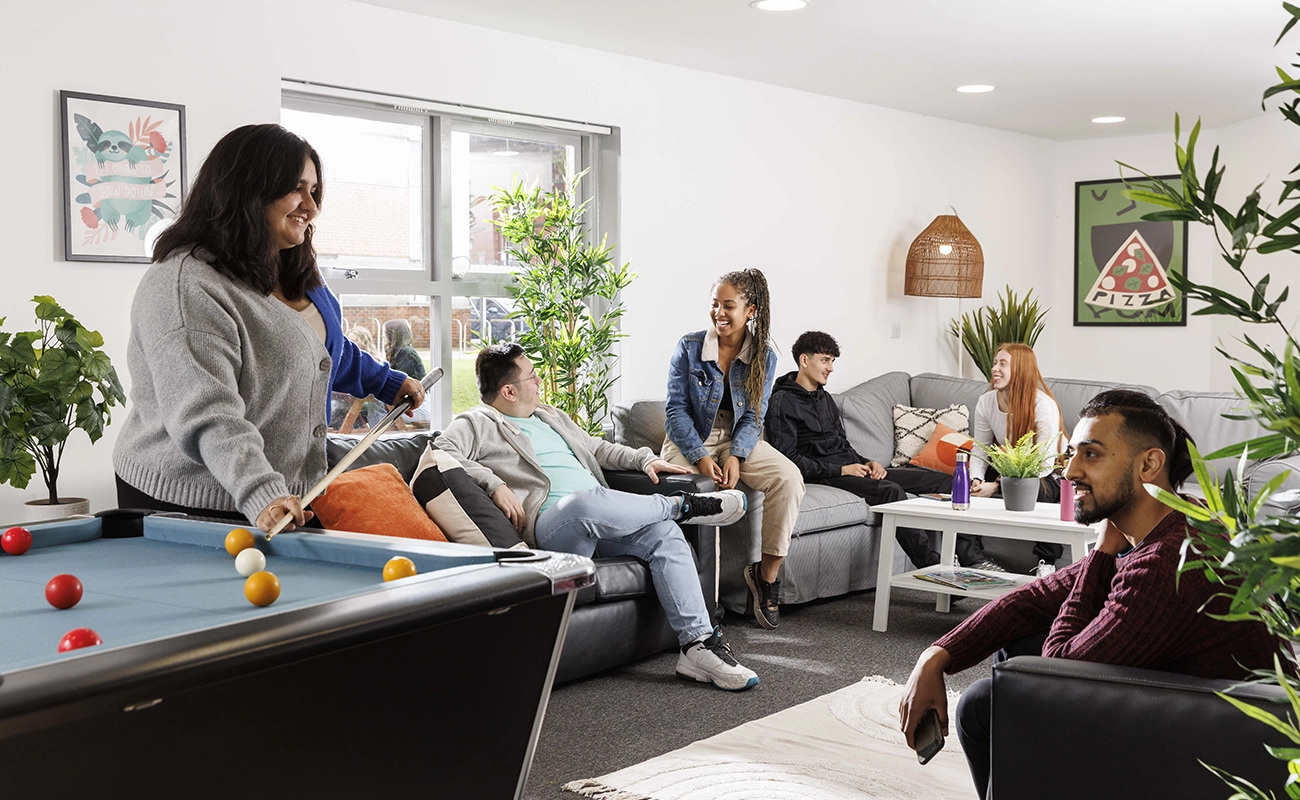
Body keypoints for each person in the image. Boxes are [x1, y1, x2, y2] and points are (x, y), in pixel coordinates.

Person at [897, 390, 1285, 799]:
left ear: (1149, 464)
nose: (1069, 473)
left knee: (987, 702)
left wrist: (1101, 555)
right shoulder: (1169, 524)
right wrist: (935, 656)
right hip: (1197, 697)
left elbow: (1060, 673)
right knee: (1015, 648)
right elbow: (1036, 597)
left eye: (1092, 455)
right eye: (1071, 454)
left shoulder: (1170, 561)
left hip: (1229, 745)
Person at [112, 124, 426, 533]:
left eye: (314, 191)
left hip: (282, 497)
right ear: (248, 189)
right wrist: (260, 491)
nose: (310, 207)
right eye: (296, 189)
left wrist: (385, 381)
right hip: (189, 501)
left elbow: (323, 354)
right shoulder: (184, 285)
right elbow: (207, 410)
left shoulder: (296, 269)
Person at [435, 343, 760, 692]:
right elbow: (441, 452)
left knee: (663, 533)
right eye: (532, 376)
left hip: (600, 518)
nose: (539, 380)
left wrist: (643, 460)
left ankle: (698, 647)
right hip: (553, 527)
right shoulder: (476, 422)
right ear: (508, 391)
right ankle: (682, 506)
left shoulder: (549, 416)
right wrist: (494, 483)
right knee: (583, 504)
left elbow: (596, 447)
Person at [765, 331, 1001, 571]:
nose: (831, 368)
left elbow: (843, 444)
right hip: (828, 474)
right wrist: (842, 469)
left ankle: (974, 559)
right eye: (825, 360)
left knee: (948, 482)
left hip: (852, 467)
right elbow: (789, 459)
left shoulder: (824, 399)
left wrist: (868, 462)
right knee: (891, 492)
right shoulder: (782, 401)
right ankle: (934, 569)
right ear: (804, 360)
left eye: (832, 361)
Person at [662, 268, 805, 630]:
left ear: (751, 310)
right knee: (700, 492)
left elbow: (754, 414)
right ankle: (706, 603)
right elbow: (675, 412)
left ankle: (766, 577)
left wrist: (737, 457)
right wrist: (701, 456)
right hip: (692, 436)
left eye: (728, 305)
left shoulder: (763, 355)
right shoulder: (690, 347)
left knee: (788, 478)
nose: (719, 313)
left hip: (739, 437)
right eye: (714, 304)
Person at [968, 343, 1067, 568]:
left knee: (1037, 491)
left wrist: (996, 487)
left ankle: (1046, 563)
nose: (995, 369)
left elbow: (1042, 464)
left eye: (1003, 364)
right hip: (1007, 467)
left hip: (1049, 472)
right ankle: (972, 561)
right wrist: (976, 480)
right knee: (961, 489)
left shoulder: (1043, 405)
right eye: (995, 363)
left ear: (1021, 369)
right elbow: (980, 448)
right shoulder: (986, 401)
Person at [331, 327, 388, 433]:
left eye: (354, 341)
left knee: (343, 407)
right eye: (349, 340)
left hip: (369, 403)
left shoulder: (374, 361)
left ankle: (343, 431)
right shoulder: (349, 362)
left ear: (363, 342)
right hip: (350, 401)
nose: (350, 344)